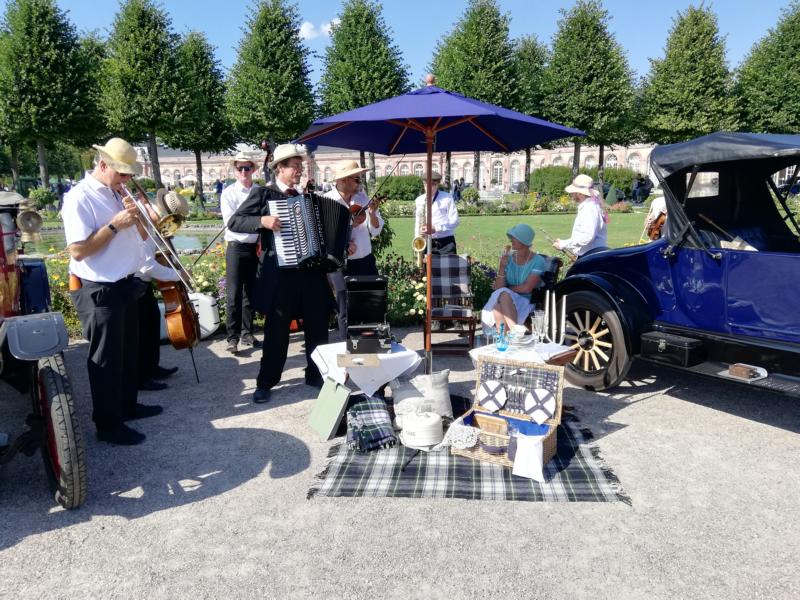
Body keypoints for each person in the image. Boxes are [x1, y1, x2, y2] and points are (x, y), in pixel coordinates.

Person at [62, 138, 161, 446]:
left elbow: (139, 236)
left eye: (130, 174)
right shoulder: (80, 197)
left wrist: (140, 218)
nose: (127, 180)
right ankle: (107, 424)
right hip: (100, 288)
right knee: (105, 360)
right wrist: (115, 225)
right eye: (122, 174)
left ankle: (127, 406)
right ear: (103, 165)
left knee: (128, 352)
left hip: (125, 283)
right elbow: (78, 251)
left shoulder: (116, 191)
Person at [227, 143, 331, 404]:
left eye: (300, 166)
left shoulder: (308, 196)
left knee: (318, 325)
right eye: (295, 166)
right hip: (280, 276)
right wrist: (261, 221)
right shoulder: (265, 194)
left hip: (311, 273)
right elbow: (235, 221)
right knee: (277, 332)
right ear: (280, 169)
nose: (300, 170)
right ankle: (266, 382)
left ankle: (315, 374)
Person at [325, 159, 383, 340]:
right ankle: (347, 343)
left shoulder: (363, 198)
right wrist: (343, 245)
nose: (360, 183)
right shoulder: (327, 201)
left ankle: (369, 340)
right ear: (343, 181)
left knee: (371, 299)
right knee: (344, 304)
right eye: (356, 179)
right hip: (339, 264)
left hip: (365, 259)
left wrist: (372, 214)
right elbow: (323, 235)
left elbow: (375, 230)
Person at [136, 189, 186, 392]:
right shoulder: (142, 223)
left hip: (143, 283)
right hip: (134, 281)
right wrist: (177, 275)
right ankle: (141, 376)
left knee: (151, 324)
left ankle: (152, 367)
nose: (167, 226)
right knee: (140, 332)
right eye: (167, 220)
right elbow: (147, 266)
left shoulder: (151, 223)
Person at [220, 151, 262, 353]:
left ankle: (247, 333)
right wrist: (258, 222)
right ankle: (232, 337)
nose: (244, 171)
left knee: (251, 293)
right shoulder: (228, 193)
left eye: (247, 168)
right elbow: (232, 223)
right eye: (240, 168)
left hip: (255, 247)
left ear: (253, 169)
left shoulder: (260, 191)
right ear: (235, 171)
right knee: (234, 294)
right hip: (236, 246)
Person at [481, 224, 546, 332]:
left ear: (524, 239)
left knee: (503, 296)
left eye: (514, 237)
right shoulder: (508, 259)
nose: (511, 240)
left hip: (526, 301)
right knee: (497, 306)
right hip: (506, 300)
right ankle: (512, 335)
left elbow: (527, 288)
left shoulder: (538, 261)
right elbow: (498, 288)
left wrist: (507, 289)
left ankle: (513, 334)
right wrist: (502, 267)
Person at [553, 174, 608, 258]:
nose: (571, 194)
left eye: (573, 192)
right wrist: (564, 242)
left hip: (591, 256)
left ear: (579, 193)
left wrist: (563, 244)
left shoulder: (589, 208)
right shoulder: (589, 206)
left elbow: (587, 237)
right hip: (591, 254)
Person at [414, 171, 460, 254]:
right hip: (426, 242)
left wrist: (436, 228)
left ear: (437, 184)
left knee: (449, 263)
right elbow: (418, 222)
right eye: (426, 184)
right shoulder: (419, 200)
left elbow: (455, 221)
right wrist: (417, 238)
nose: (428, 188)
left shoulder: (447, 198)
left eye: (432, 185)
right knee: (425, 263)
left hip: (446, 243)